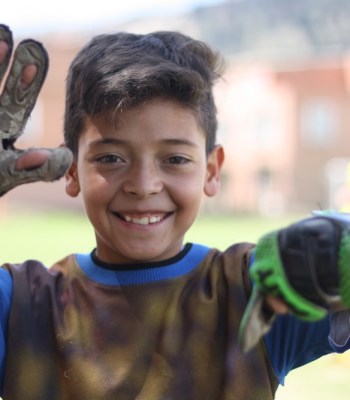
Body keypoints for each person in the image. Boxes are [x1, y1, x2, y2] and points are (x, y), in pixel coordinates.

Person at [0, 23, 349, 400]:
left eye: (175, 158)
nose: (144, 183)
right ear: (72, 170)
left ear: (212, 170)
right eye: (111, 158)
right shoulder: (21, 306)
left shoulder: (249, 293)